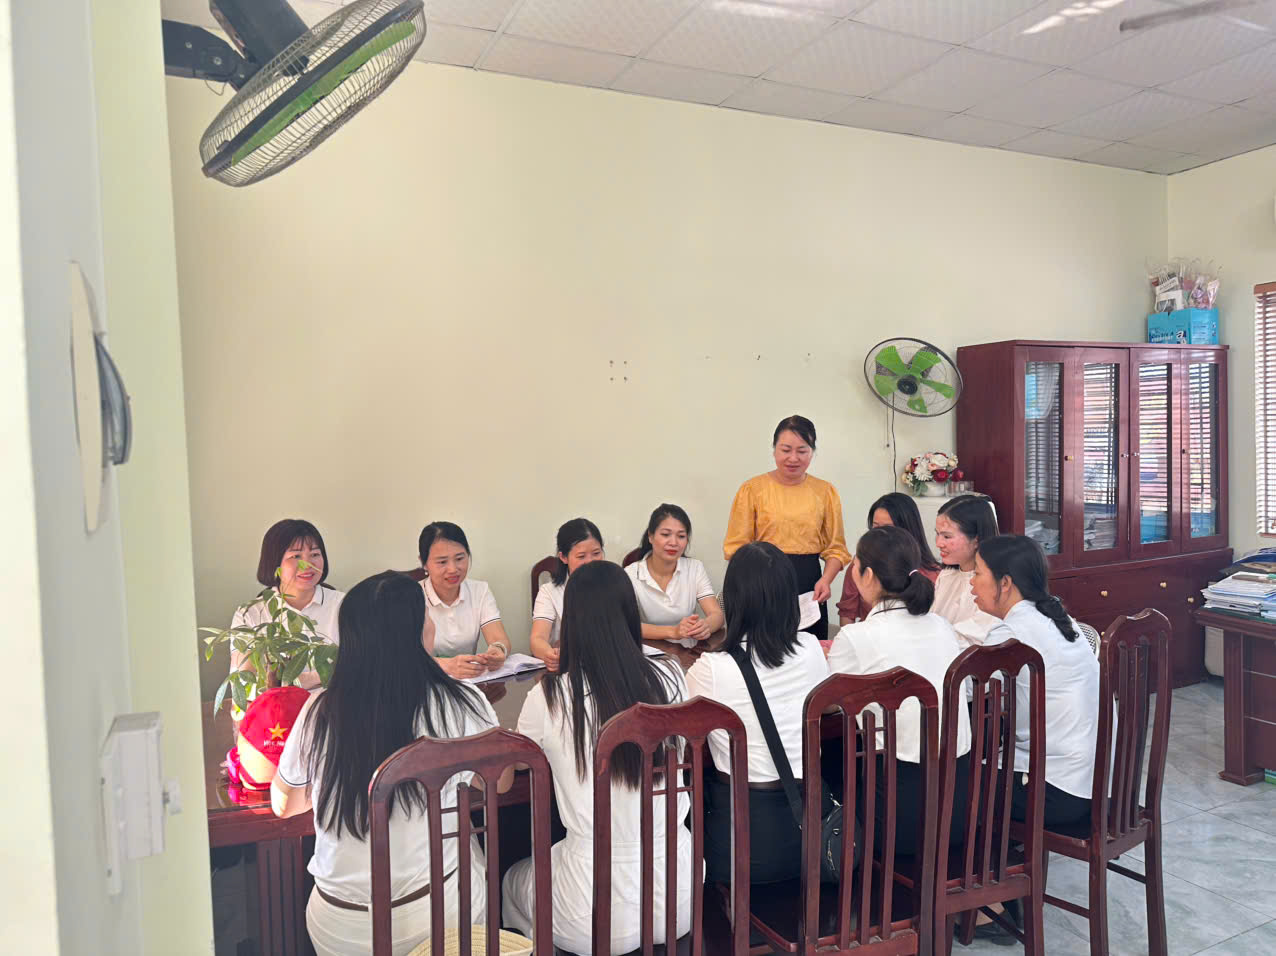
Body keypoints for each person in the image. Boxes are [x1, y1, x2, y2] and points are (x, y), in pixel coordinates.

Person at [272, 571, 506, 956]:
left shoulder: (319, 709)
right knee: (467, 843)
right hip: (439, 921)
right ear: (417, 632)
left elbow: (285, 806)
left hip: (340, 930)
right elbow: (499, 782)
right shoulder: (462, 702)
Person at [502, 561, 693, 954]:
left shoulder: (551, 695)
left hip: (592, 913)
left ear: (571, 623)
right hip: (679, 899)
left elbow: (514, 767)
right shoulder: (671, 676)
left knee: (511, 879)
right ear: (630, 614)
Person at [686, 541, 830, 884]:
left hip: (741, 849)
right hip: (812, 840)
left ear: (733, 600)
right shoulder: (811, 649)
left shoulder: (712, 669)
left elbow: (677, 725)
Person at [827, 526, 971, 857]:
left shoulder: (857, 637)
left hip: (897, 819)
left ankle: (857, 881)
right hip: (957, 806)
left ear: (867, 575)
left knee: (831, 767)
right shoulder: (941, 626)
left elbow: (826, 705)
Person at [972, 535, 1099, 829]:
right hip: (1094, 783)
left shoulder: (1011, 634)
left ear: (1005, 583)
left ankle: (990, 857)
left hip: (1055, 792)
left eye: (977, 573)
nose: (971, 582)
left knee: (951, 776)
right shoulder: (1057, 618)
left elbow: (964, 689)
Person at [723, 415, 851, 639]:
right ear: (774, 450)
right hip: (762, 580)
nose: (793, 458)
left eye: (802, 451)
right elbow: (736, 547)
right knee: (763, 646)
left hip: (808, 582)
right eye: (785, 450)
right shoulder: (752, 489)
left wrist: (826, 580)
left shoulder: (825, 492)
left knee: (809, 647)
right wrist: (754, 586)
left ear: (812, 452)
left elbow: (836, 548)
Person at [231, 518, 345, 692]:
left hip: (335, 704)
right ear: (274, 562)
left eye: (315, 554)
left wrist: (303, 680)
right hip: (275, 706)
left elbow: (362, 664)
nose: (308, 565)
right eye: (296, 556)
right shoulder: (250, 614)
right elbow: (243, 682)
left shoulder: (345, 605)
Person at [417, 521, 512, 680]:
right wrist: (447, 665)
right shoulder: (412, 596)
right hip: (425, 682)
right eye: (442, 562)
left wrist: (498, 650)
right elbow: (402, 655)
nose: (453, 569)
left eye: (460, 558)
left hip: (470, 683)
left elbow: (499, 638)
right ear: (424, 563)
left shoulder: (479, 590)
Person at [625, 503, 724, 649]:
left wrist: (706, 626)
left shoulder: (694, 568)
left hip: (688, 652)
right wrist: (673, 632)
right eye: (665, 535)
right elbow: (626, 625)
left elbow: (717, 615)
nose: (673, 543)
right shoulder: (630, 574)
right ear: (650, 536)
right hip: (647, 652)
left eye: (681, 536)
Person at [837, 493, 941, 626]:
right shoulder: (860, 563)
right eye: (875, 527)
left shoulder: (935, 574)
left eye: (888, 528)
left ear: (908, 529)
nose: (880, 535)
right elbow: (847, 612)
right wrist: (850, 637)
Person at [529, 518, 605, 672]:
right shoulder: (549, 592)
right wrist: (550, 654)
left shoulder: (613, 583)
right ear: (563, 557)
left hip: (606, 664)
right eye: (581, 556)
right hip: (568, 668)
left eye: (596, 553)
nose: (590, 562)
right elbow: (537, 639)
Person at [931, 495, 1001, 648]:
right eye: (937, 534)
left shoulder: (995, 585)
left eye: (947, 536)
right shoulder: (946, 575)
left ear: (976, 539)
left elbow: (971, 640)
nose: (938, 543)